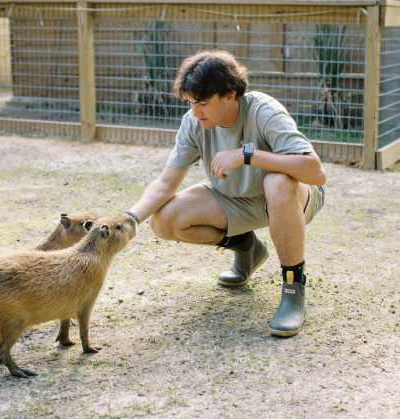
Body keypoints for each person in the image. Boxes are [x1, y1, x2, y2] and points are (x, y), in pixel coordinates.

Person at [124, 50, 326, 337]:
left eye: (203, 102)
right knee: (164, 219)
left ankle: (293, 288)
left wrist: (248, 155)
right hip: (236, 200)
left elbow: (315, 172)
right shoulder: (194, 122)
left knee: (278, 182)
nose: (195, 111)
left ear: (230, 94)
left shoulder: (264, 111)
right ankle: (247, 248)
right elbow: (166, 183)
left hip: (292, 198)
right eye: (191, 102)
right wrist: (130, 218)